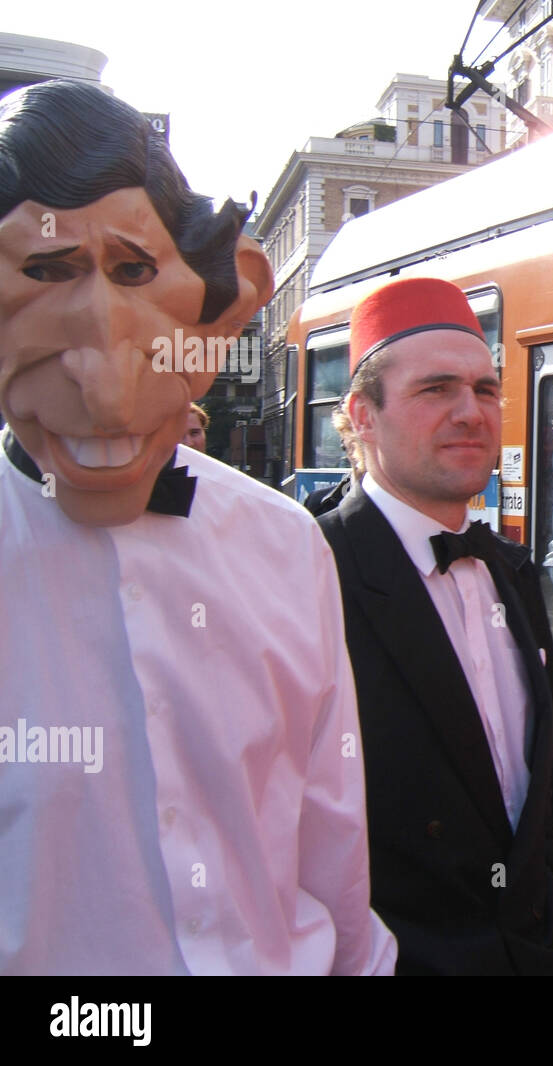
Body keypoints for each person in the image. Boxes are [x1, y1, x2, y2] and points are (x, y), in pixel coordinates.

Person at [0, 80, 395, 974]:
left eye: (135, 268)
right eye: (42, 270)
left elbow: (332, 838)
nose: (103, 389)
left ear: (223, 304)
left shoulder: (287, 545)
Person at [317, 276, 553, 975]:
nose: (471, 412)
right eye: (436, 389)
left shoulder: (510, 570)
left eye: (486, 389)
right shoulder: (308, 574)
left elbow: (541, 788)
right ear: (363, 415)